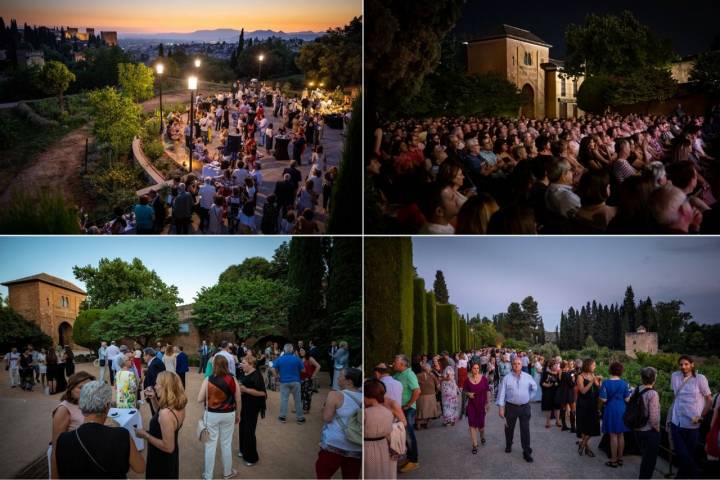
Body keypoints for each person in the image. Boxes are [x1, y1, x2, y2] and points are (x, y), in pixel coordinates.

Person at [55, 381, 145, 478]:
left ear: (81, 405)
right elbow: (140, 468)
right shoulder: (121, 435)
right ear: (107, 406)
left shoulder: (63, 440)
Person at [136, 371, 187, 479]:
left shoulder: (166, 414)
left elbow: (168, 447)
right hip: (170, 457)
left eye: (157, 383)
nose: (155, 386)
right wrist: (154, 398)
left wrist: (145, 435)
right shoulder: (177, 405)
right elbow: (159, 415)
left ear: (165, 387)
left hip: (161, 459)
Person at [669, 355, 712, 478]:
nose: (683, 367)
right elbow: (676, 397)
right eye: (681, 364)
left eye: (686, 364)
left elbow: (709, 400)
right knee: (682, 453)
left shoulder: (700, 379)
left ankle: (682, 477)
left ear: (692, 364)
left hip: (692, 424)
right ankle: (696, 475)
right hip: (676, 421)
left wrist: (701, 416)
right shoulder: (674, 376)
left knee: (688, 454)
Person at [198, 355, 240, 480]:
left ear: (214, 365)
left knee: (210, 445)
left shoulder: (208, 379)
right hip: (229, 414)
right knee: (226, 444)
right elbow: (238, 399)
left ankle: (208, 475)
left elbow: (199, 399)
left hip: (212, 414)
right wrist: (239, 414)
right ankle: (227, 473)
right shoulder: (232, 379)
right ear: (226, 365)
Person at [315, 368, 362, 479]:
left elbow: (327, 418)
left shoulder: (335, 395)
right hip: (356, 446)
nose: (338, 378)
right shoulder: (364, 397)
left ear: (349, 381)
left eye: (340, 376)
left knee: (323, 474)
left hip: (334, 444)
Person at [50, 371, 96, 478]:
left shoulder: (88, 404)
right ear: (70, 390)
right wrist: (54, 477)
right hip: (72, 458)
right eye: (81, 387)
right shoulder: (63, 410)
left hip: (87, 456)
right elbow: (56, 447)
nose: (86, 391)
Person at [496, 357, 537, 462]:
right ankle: (509, 444)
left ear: (521, 364)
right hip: (510, 407)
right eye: (514, 363)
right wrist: (501, 408)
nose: (517, 365)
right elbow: (501, 394)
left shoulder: (528, 377)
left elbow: (534, 388)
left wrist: (528, 397)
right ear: (512, 365)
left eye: (518, 363)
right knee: (509, 428)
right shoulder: (506, 378)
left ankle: (527, 452)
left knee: (525, 430)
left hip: (524, 407)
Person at [364, 378, 404, 480]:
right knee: (382, 472)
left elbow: (404, 422)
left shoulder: (366, 412)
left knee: (373, 473)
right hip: (383, 444)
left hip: (376, 445)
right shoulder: (386, 411)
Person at [599, 361, 632, 468]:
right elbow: (627, 399)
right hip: (622, 409)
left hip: (611, 409)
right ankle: (620, 458)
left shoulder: (605, 383)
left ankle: (613, 460)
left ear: (611, 370)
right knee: (621, 435)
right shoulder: (624, 383)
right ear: (621, 371)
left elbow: (603, 399)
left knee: (613, 435)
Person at [392, 354, 420, 473]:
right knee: (403, 435)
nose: (393, 364)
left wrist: (409, 404)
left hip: (408, 409)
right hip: (399, 408)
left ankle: (414, 461)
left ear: (402, 364)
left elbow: (417, 391)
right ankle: (409, 458)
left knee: (409, 434)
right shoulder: (397, 374)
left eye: (395, 362)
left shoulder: (409, 374)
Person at [237, 356, 267, 466]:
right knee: (242, 428)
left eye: (243, 362)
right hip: (243, 406)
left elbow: (263, 393)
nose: (241, 364)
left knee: (249, 430)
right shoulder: (244, 372)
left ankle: (251, 457)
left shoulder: (257, 375)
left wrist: (246, 390)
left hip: (252, 407)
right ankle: (243, 449)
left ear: (250, 364)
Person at [634, 367, 661, 479]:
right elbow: (654, 417)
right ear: (654, 379)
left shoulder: (637, 389)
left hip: (637, 428)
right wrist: (657, 428)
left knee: (644, 456)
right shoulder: (653, 394)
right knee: (650, 459)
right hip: (649, 430)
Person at [575, 358, 602, 457]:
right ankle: (587, 448)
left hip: (593, 404)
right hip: (583, 404)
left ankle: (582, 444)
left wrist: (599, 382)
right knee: (583, 426)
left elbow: (597, 389)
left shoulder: (593, 375)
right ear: (588, 365)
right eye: (593, 365)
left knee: (593, 425)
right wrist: (592, 381)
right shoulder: (580, 377)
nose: (595, 367)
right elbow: (582, 391)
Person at [274, 343, 305, 424]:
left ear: (284, 350)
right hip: (296, 381)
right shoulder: (297, 359)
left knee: (284, 399)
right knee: (298, 400)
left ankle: (282, 417)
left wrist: (277, 376)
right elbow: (303, 370)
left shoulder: (280, 359)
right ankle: (300, 418)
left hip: (284, 381)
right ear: (292, 350)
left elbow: (273, 368)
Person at [464, 362, 491, 454]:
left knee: (481, 427)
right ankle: (474, 445)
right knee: (472, 425)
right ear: (471, 369)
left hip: (481, 404)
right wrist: (468, 394)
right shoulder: (467, 380)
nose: (476, 370)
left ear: (479, 369)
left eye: (477, 368)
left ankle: (482, 436)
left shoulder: (483, 379)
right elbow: (464, 391)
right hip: (472, 405)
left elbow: (487, 391)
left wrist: (488, 403)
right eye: (474, 368)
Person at [415, 362, 440, 429]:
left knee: (420, 411)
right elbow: (438, 386)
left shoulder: (417, 376)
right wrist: (436, 392)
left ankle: (418, 424)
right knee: (430, 411)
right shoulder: (432, 376)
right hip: (431, 395)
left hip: (421, 395)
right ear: (428, 369)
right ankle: (427, 423)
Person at [143, 348, 167, 416]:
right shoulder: (155, 362)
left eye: (144, 355)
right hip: (155, 393)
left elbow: (155, 381)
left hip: (155, 394)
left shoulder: (154, 365)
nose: (143, 357)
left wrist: (151, 394)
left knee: (155, 413)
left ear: (148, 355)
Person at [299, 347, 321, 414]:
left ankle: (306, 409)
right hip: (301, 379)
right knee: (301, 394)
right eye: (300, 351)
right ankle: (300, 408)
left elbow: (318, 366)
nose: (301, 352)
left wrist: (313, 375)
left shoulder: (310, 358)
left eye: (302, 350)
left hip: (308, 379)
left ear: (306, 351)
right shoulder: (301, 359)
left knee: (307, 394)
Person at [541, 360, 561, 428]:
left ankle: (558, 421)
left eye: (557, 365)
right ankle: (548, 422)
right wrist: (548, 385)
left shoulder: (559, 373)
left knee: (557, 407)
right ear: (551, 366)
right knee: (548, 408)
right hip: (548, 392)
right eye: (555, 365)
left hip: (557, 392)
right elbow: (542, 382)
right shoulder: (546, 373)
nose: (556, 366)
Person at [440, 359, 460, 426]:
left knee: (447, 405)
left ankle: (448, 420)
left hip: (448, 390)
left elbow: (449, 378)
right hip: (450, 389)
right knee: (451, 404)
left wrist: (441, 378)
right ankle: (452, 419)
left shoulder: (447, 368)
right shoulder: (449, 368)